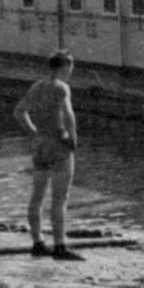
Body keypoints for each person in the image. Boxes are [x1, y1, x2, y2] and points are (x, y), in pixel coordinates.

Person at [13, 50, 84, 261]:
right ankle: (60, 247)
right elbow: (68, 114)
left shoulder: (36, 87)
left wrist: (34, 131)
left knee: (37, 197)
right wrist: (74, 137)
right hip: (58, 143)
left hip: (40, 145)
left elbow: (19, 111)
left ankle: (37, 243)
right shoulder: (61, 88)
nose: (70, 72)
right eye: (70, 68)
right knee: (59, 199)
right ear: (64, 68)